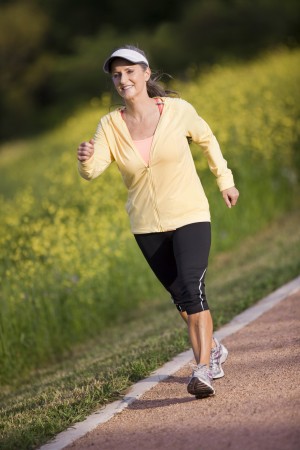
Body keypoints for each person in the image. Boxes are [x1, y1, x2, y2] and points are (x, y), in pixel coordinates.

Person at [77, 44, 239, 398]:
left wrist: (224, 180)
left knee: (193, 290)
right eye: (117, 75)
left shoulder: (178, 111)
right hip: (146, 224)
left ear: (146, 73)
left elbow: (207, 140)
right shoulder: (110, 125)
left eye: (130, 72)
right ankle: (212, 349)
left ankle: (201, 370)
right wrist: (86, 158)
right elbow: (93, 171)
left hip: (190, 214)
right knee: (180, 295)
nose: (123, 79)